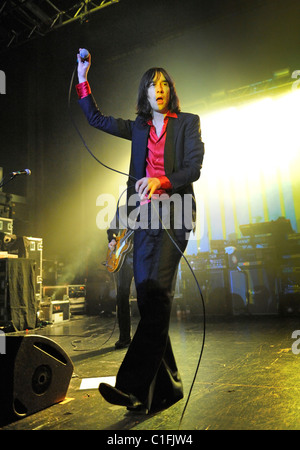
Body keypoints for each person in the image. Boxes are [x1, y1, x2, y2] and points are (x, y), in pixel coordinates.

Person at [76, 49, 204, 413]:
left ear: (170, 91)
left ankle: (131, 386)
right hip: (144, 220)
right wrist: (83, 78)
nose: (158, 88)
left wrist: (163, 180)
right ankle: (168, 388)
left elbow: (193, 168)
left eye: (164, 83)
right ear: (145, 94)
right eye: (152, 84)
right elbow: (97, 120)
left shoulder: (188, 122)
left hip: (175, 215)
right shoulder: (137, 128)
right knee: (149, 298)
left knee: (158, 291)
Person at [107, 205, 134, 349]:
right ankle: (124, 337)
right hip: (123, 259)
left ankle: (148, 337)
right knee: (122, 296)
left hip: (142, 256)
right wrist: (112, 241)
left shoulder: (150, 208)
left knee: (146, 296)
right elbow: (112, 230)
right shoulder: (122, 209)